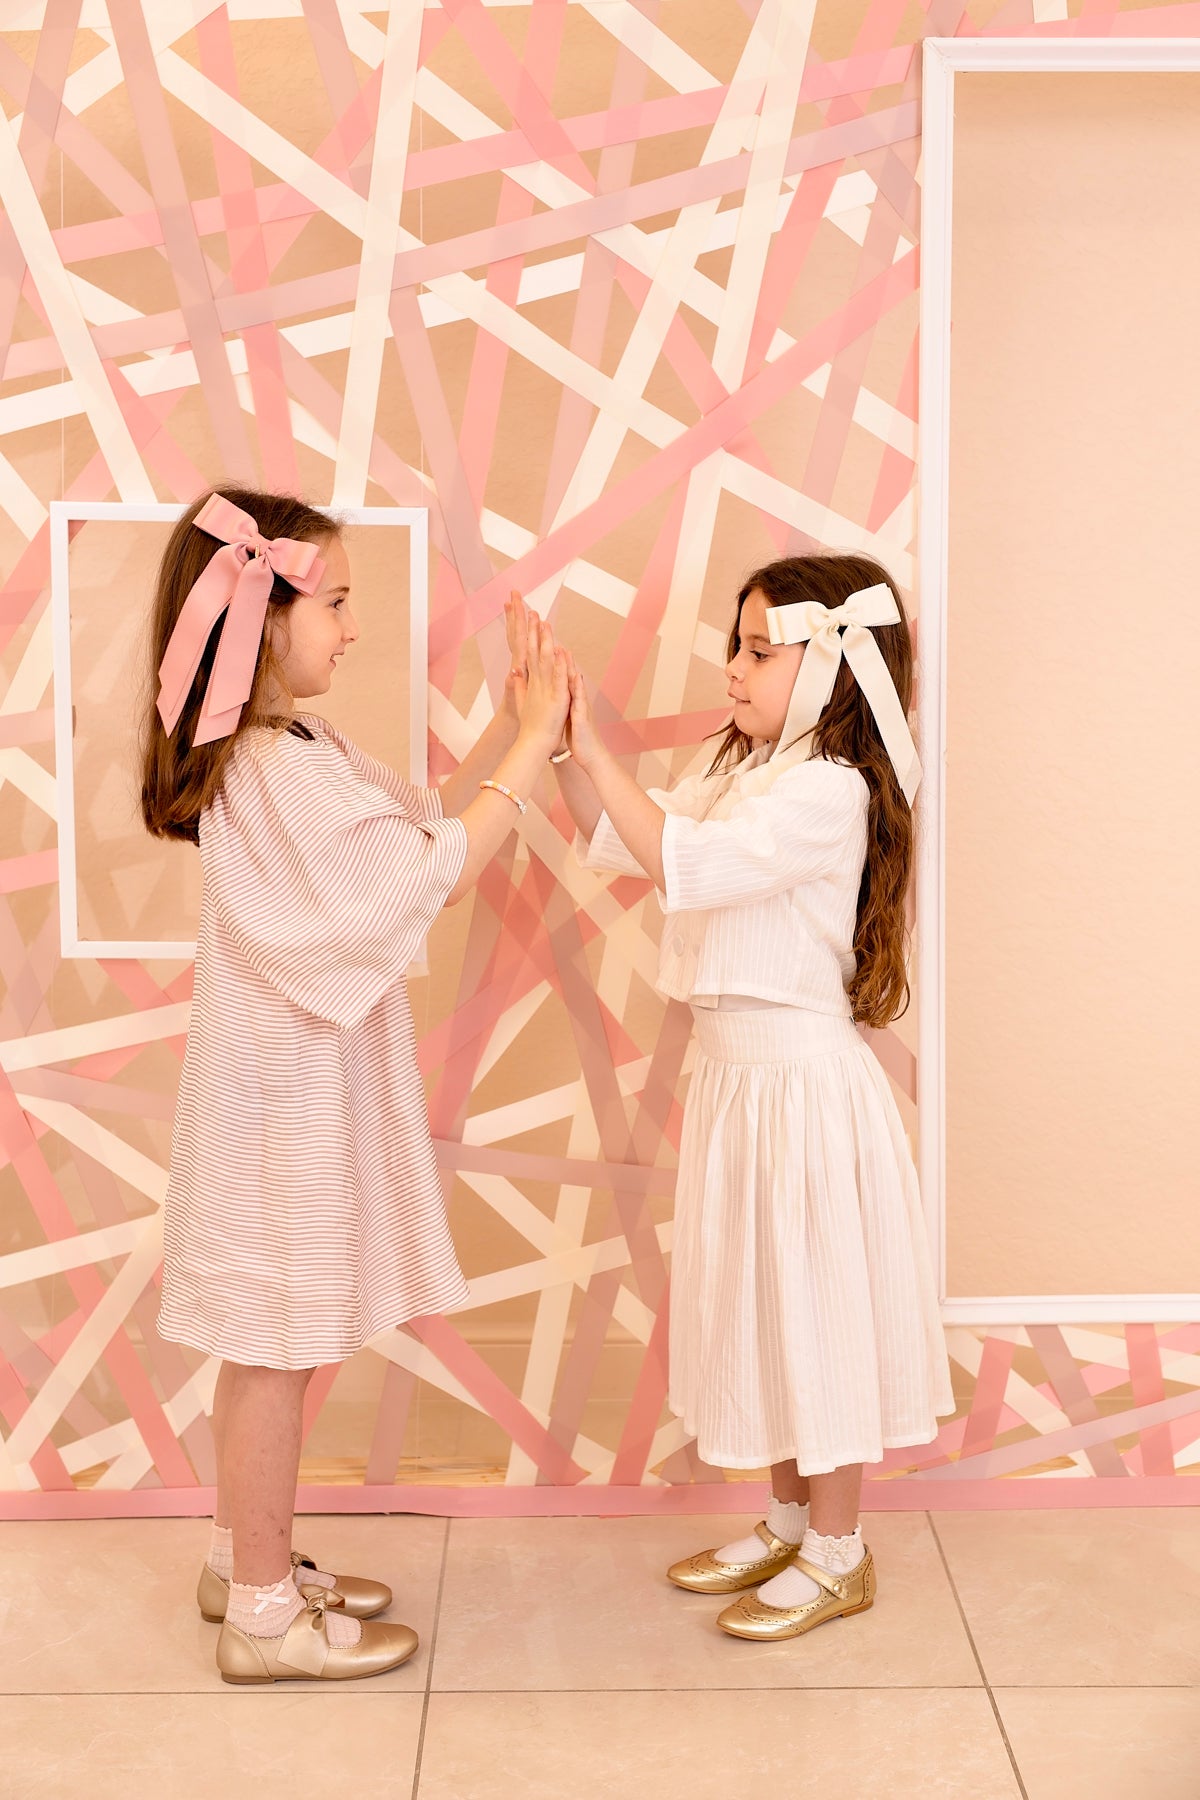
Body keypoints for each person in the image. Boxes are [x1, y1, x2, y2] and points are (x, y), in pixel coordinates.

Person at [142, 490, 567, 1683]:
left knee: (267, 1345)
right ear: (261, 619)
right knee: (276, 1349)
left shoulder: (297, 754)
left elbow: (414, 831)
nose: (353, 628)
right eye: (333, 603)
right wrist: (533, 743)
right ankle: (264, 1616)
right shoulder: (275, 769)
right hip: (279, 1108)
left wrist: (512, 729)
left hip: (276, 1095)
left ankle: (242, 1560)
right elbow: (427, 873)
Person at [549, 555, 952, 1641]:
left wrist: (590, 747)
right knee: (764, 1304)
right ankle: (788, 1521)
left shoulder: (826, 790)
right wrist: (566, 741)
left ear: (827, 669)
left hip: (799, 1090)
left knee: (814, 1307)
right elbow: (628, 837)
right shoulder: (750, 769)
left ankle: (840, 1550)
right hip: (737, 1084)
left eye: (758, 651)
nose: (731, 667)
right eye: (735, 645)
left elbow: (688, 863)